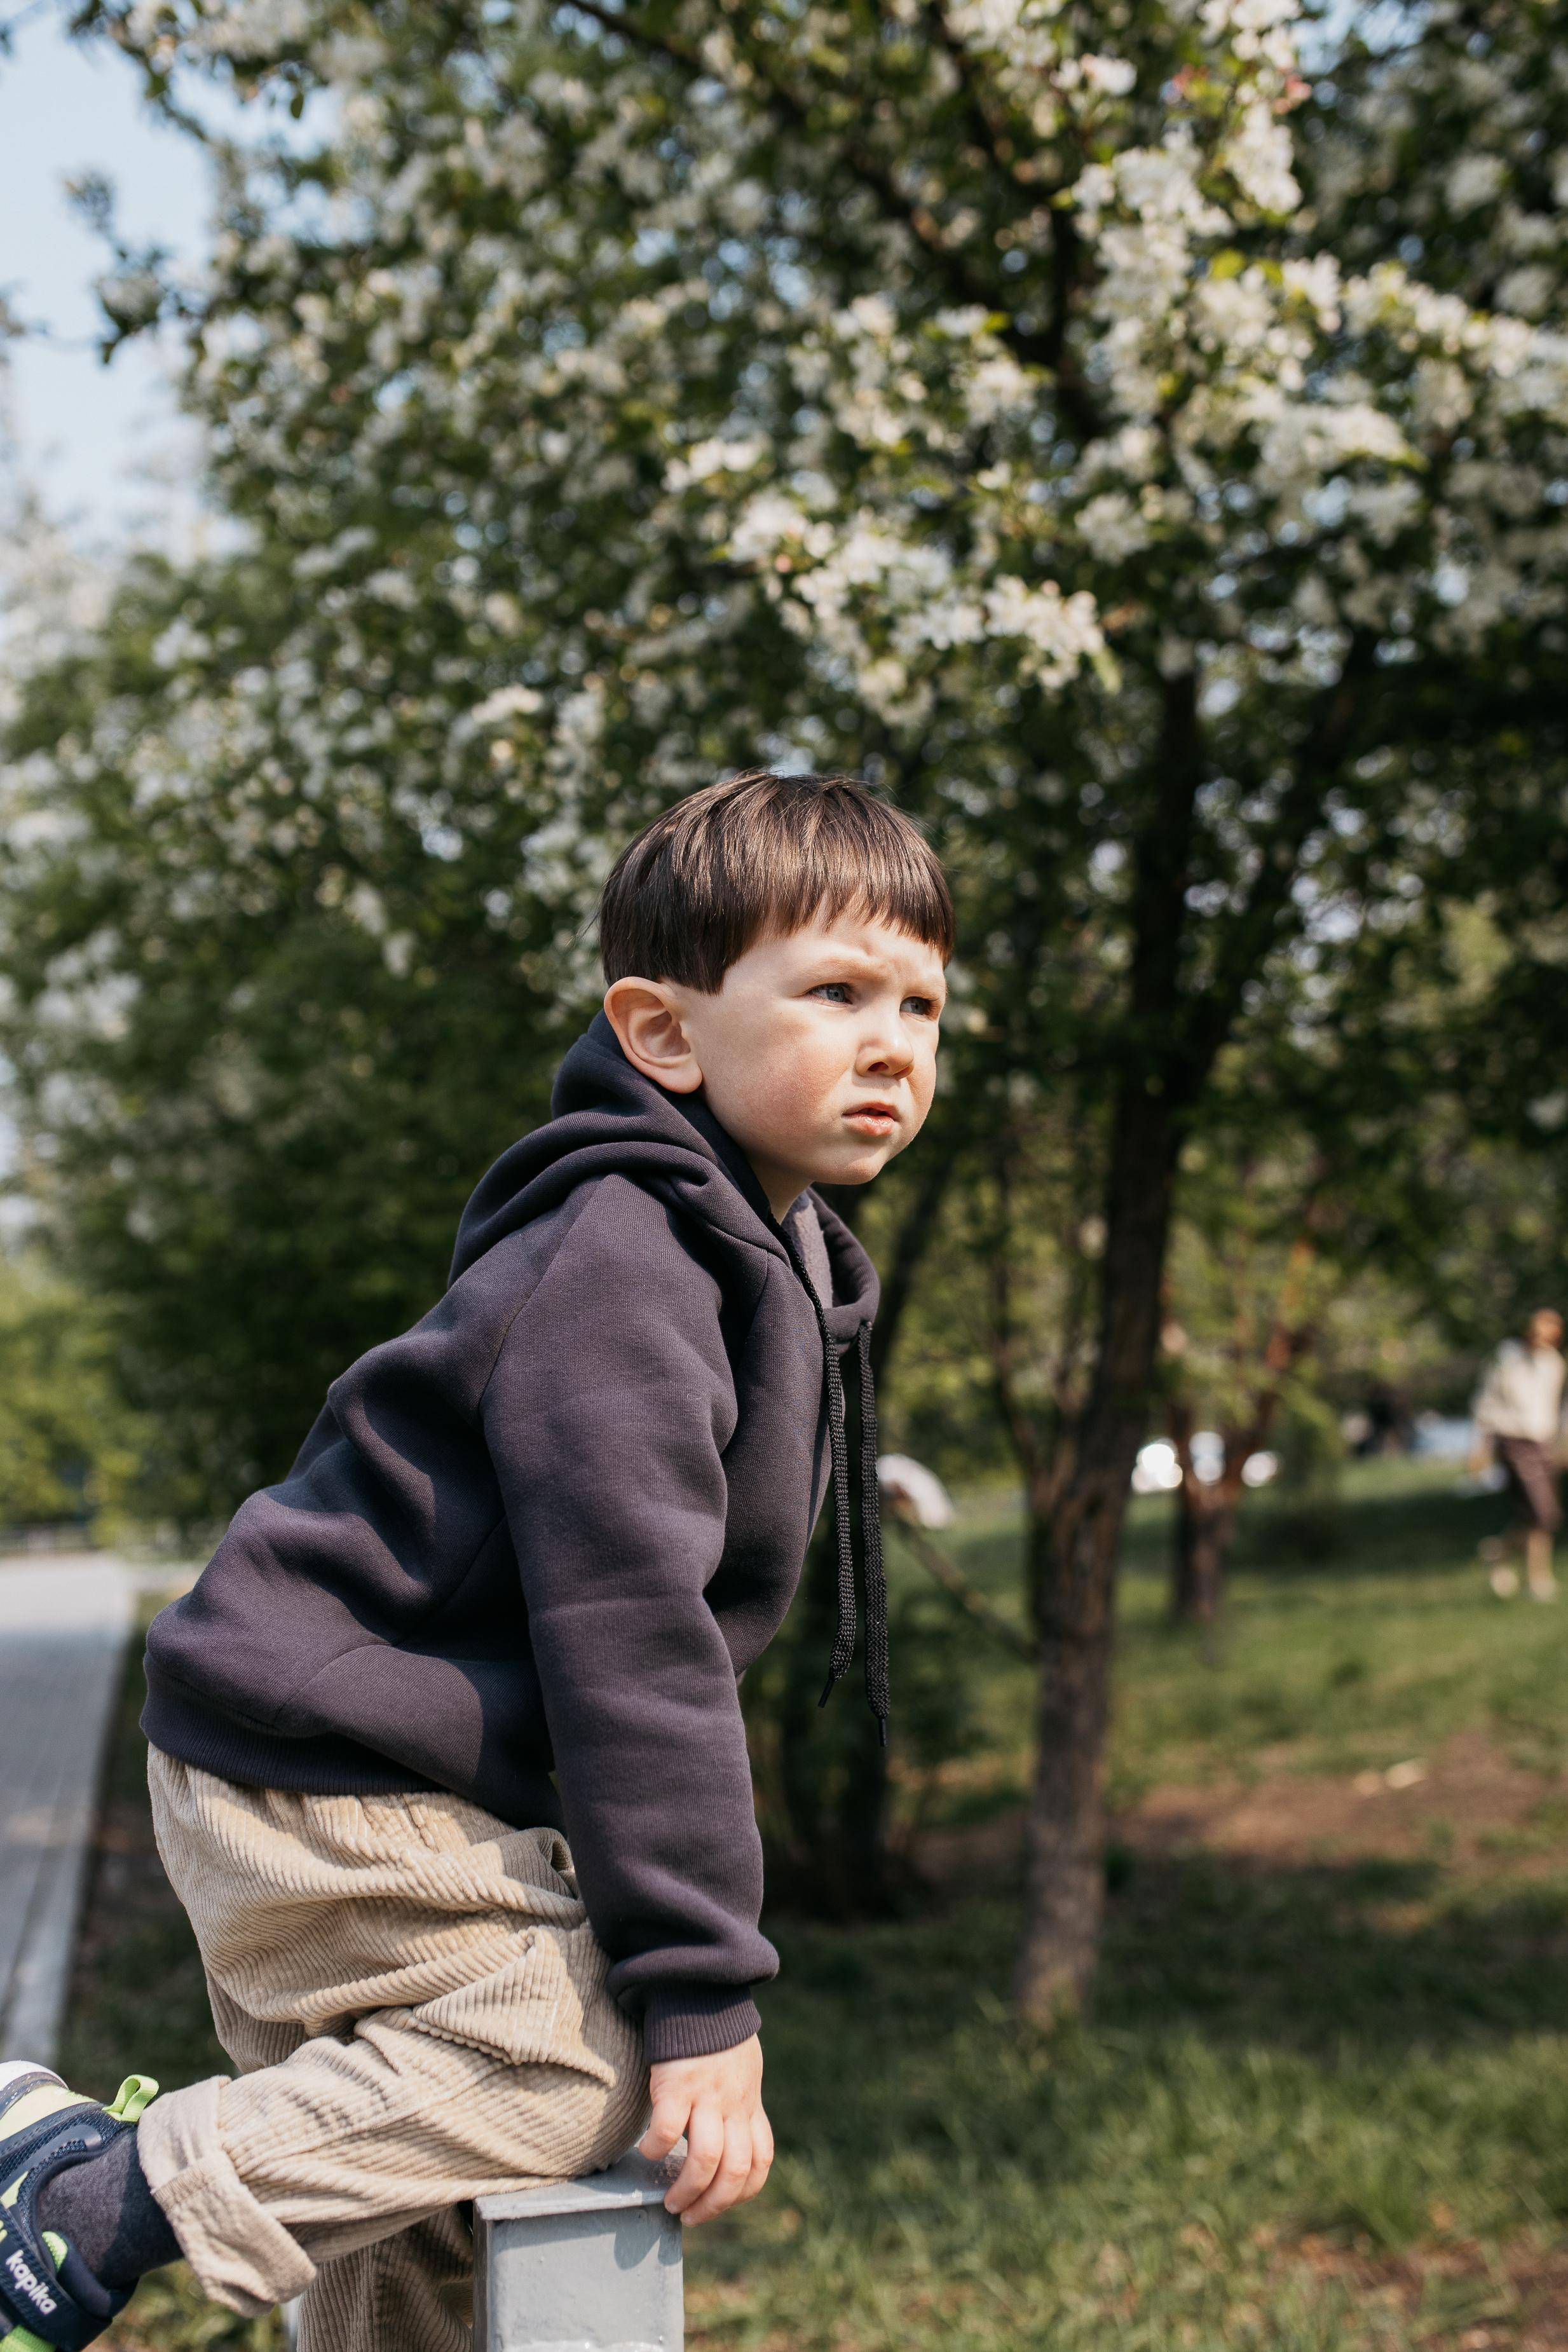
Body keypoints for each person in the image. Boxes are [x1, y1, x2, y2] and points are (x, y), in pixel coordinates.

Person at [0, 772, 952, 2352]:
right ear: (661, 1032)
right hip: (318, 1767)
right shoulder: (623, 1265)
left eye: (920, 1000)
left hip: (393, 1777)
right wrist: (702, 1996)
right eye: (835, 990)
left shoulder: (771, 1257)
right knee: (582, 2066)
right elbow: (633, 1646)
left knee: (427, 2210)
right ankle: (84, 2194)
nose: (891, 1041)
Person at [1471, 1306, 1565, 1602]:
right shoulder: (1506, 1357)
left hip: (1542, 1442)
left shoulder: (1554, 1364)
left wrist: (1562, 1444)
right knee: (1542, 1513)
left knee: (1536, 1515)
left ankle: (1501, 1554)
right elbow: (1487, 1402)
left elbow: (1556, 1409)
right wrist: (1481, 1446)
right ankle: (1538, 1579)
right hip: (1511, 1440)